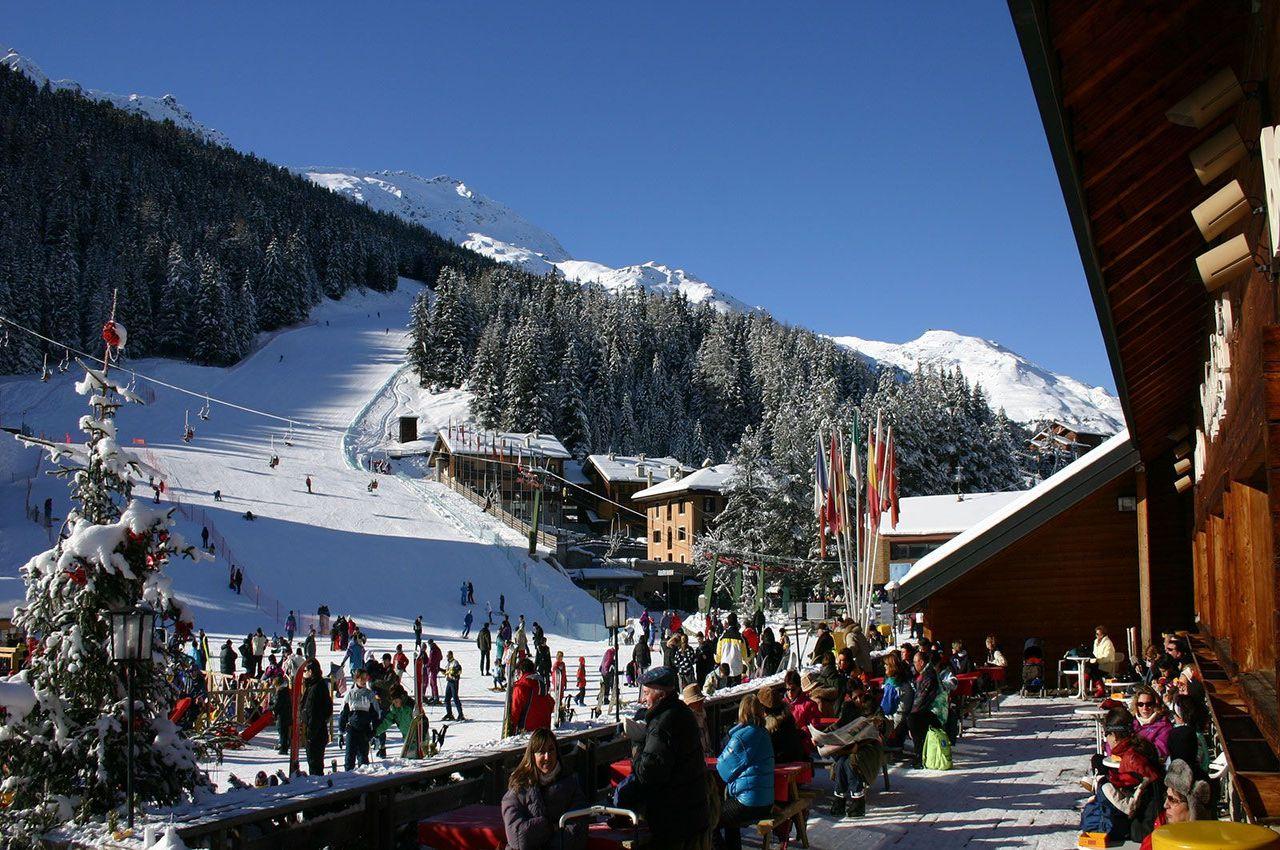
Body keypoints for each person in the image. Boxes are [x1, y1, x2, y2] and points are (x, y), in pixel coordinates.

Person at [616, 667, 713, 849]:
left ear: (661, 694)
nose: (643, 699)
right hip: (691, 811)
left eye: (646, 693)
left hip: (673, 817)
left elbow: (648, 773)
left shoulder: (662, 723)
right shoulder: (681, 711)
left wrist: (637, 745)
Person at [501, 729, 589, 850]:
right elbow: (519, 838)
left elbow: (578, 832)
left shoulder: (571, 785)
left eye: (551, 750)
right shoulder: (517, 789)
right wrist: (551, 826)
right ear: (532, 755)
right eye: (541, 751)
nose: (547, 757)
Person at [716, 693, 775, 850]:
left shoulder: (743, 737)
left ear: (742, 711)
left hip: (749, 802)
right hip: (766, 801)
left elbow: (723, 769)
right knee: (730, 818)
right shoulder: (763, 733)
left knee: (711, 818)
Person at [1137, 760, 1213, 850]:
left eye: (1172, 800)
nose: (1165, 805)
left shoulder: (1211, 845)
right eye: (1166, 796)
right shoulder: (1155, 837)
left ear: (1195, 809)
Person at [339, 669, 380, 769]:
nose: (364, 680)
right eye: (361, 678)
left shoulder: (370, 695)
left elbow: (375, 715)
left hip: (365, 730)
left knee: (363, 759)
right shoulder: (350, 694)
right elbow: (343, 714)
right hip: (352, 729)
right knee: (349, 758)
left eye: (365, 678)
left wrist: (375, 733)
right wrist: (341, 731)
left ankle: (364, 777)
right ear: (356, 679)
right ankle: (349, 777)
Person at [298, 659, 332, 775]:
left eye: (305, 671)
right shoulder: (314, 685)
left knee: (315, 764)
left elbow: (313, 712)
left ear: (311, 671)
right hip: (316, 728)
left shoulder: (316, 687)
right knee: (314, 762)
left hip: (315, 731)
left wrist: (311, 733)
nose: (304, 674)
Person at [759, 684, 808, 763]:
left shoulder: (771, 728)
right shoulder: (788, 717)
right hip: (797, 758)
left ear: (764, 709)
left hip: (782, 763)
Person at [908, 650, 940, 768]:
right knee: (911, 718)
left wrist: (911, 713)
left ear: (921, 662)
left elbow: (921, 698)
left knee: (912, 719)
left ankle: (919, 756)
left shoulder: (928, 675)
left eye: (915, 662)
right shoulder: (925, 673)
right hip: (927, 709)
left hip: (935, 712)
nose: (914, 665)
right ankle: (918, 754)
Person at [1131, 685, 1173, 758]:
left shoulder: (1164, 726)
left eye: (1148, 704)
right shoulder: (1131, 722)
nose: (1144, 708)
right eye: (1140, 704)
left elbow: (1159, 750)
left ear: (1155, 705)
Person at [511, 659, 552, 733]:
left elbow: (515, 711)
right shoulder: (541, 685)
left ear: (521, 672)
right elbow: (551, 704)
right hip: (545, 732)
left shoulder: (521, 687)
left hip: (526, 731)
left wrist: (511, 729)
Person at [681, 682, 714, 757]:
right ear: (690, 704)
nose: (701, 703)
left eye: (701, 700)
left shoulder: (702, 713)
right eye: (697, 701)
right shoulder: (687, 720)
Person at [716, 617, 747, 686]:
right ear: (736, 623)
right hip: (737, 668)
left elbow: (718, 653)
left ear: (728, 623)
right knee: (737, 689)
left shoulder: (722, 637)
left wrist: (717, 661)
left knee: (726, 689)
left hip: (725, 668)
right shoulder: (740, 637)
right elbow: (744, 655)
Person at [272, 676, 293, 755]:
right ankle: (284, 746)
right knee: (285, 732)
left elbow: (277, 704)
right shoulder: (286, 690)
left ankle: (283, 748)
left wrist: (271, 708)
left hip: (282, 714)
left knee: (282, 731)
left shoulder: (280, 691)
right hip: (287, 713)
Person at [443, 650, 464, 721]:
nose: (447, 657)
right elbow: (447, 672)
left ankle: (460, 714)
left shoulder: (455, 662)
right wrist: (440, 669)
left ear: (451, 655)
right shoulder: (449, 663)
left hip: (454, 682)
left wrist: (454, 674)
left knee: (455, 698)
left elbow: (459, 671)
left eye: (448, 655)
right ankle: (449, 714)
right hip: (449, 682)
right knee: (447, 699)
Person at [426, 638, 443, 703]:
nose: (429, 645)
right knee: (431, 683)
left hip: (434, 668)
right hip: (434, 667)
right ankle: (433, 696)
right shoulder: (436, 648)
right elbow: (441, 657)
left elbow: (431, 660)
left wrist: (427, 665)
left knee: (433, 682)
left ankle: (436, 697)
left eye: (429, 644)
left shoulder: (434, 650)